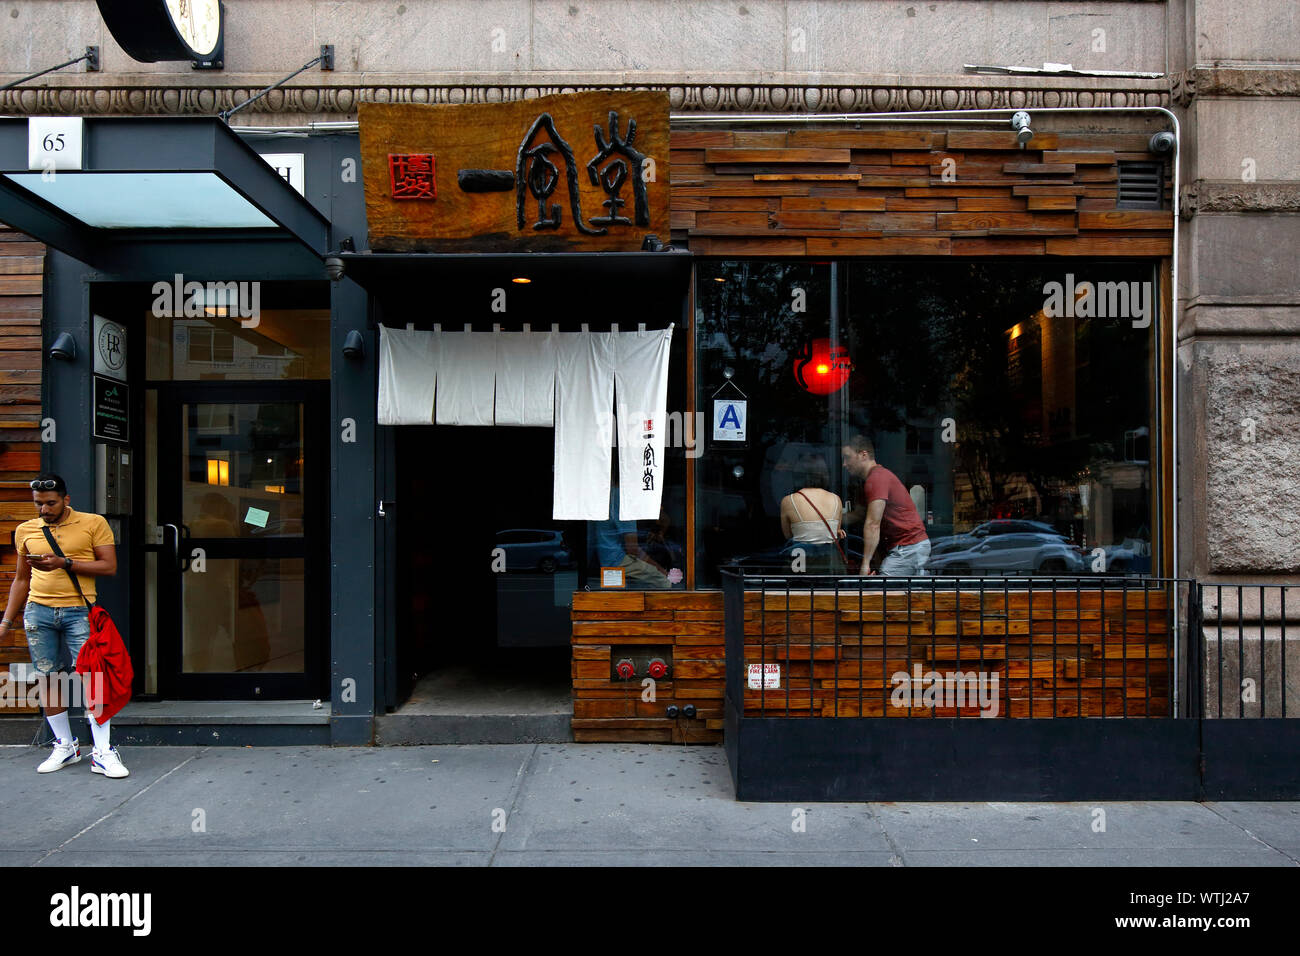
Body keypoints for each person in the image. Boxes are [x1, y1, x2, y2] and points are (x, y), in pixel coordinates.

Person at [2, 473, 126, 778]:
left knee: (92, 679)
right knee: (48, 679)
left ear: (66, 499)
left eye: (50, 503)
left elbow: (109, 566)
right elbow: (21, 579)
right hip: (38, 612)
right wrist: (6, 620)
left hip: (78, 611)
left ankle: (103, 751)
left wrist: (65, 563)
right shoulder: (26, 530)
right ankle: (65, 746)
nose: (43, 509)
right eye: (38, 503)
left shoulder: (93, 522)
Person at [841, 435, 930, 576]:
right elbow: (857, 515)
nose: (844, 464)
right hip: (907, 546)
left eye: (847, 457)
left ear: (863, 455)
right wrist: (830, 521)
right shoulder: (869, 482)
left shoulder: (877, 479)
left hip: (908, 546)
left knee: (881, 589)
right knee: (904, 593)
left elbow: (872, 524)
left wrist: (865, 565)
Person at [779, 457, 848, 574]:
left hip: (799, 563)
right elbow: (835, 534)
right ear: (824, 474)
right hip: (830, 563)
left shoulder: (789, 501)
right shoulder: (836, 499)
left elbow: (788, 535)